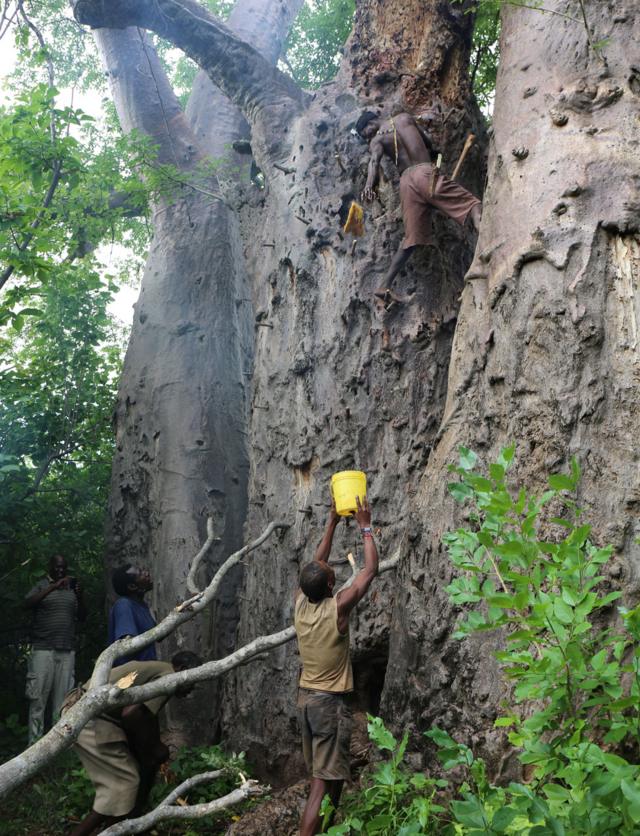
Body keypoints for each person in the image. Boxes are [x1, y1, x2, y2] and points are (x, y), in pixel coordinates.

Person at [295, 496, 379, 836]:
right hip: (328, 705)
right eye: (332, 574)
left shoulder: (301, 603)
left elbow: (316, 563)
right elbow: (369, 570)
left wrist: (331, 522)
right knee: (319, 783)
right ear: (332, 586)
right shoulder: (337, 609)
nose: (330, 567)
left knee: (331, 776)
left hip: (306, 700)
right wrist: (365, 526)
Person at [65, 651, 201, 836]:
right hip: (87, 717)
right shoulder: (169, 678)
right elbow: (131, 715)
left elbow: (144, 718)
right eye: (195, 680)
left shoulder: (158, 670)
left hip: (85, 711)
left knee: (118, 787)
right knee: (124, 783)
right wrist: (152, 749)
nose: (193, 689)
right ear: (184, 670)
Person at [356, 110, 482, 304]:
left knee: (410, 240)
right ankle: (484, 234)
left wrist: (368, 186)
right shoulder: (405, 118)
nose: (368, 138)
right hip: (424, 173)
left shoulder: (377, 140)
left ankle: (384, 285)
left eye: (367, 133)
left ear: (371, 122)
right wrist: (433, 153)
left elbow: (374, 162)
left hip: (406, 183)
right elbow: (429, 142)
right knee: (472, 204)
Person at [24, 554, 87, 744]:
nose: (61, 570)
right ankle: (34, 744)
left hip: (66, 651)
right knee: (38, 700)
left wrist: (80, 595)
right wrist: (53, 586)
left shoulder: (72, 590)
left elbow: (83, 616)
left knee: (63, 702)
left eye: (64, 567)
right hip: (43, 650)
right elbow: (27, 603)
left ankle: (57, 747)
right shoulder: (42, 585)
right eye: (57, 567)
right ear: (50, 567)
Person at [108, 564, 157, 664]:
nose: (147, 573)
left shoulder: (143, 606)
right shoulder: (124, 605)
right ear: (132, 586)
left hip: (145, 667)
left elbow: (160, 634)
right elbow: (127, 644)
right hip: (130, 672)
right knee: (168, 669)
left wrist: (182, 609)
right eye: (141, 573)